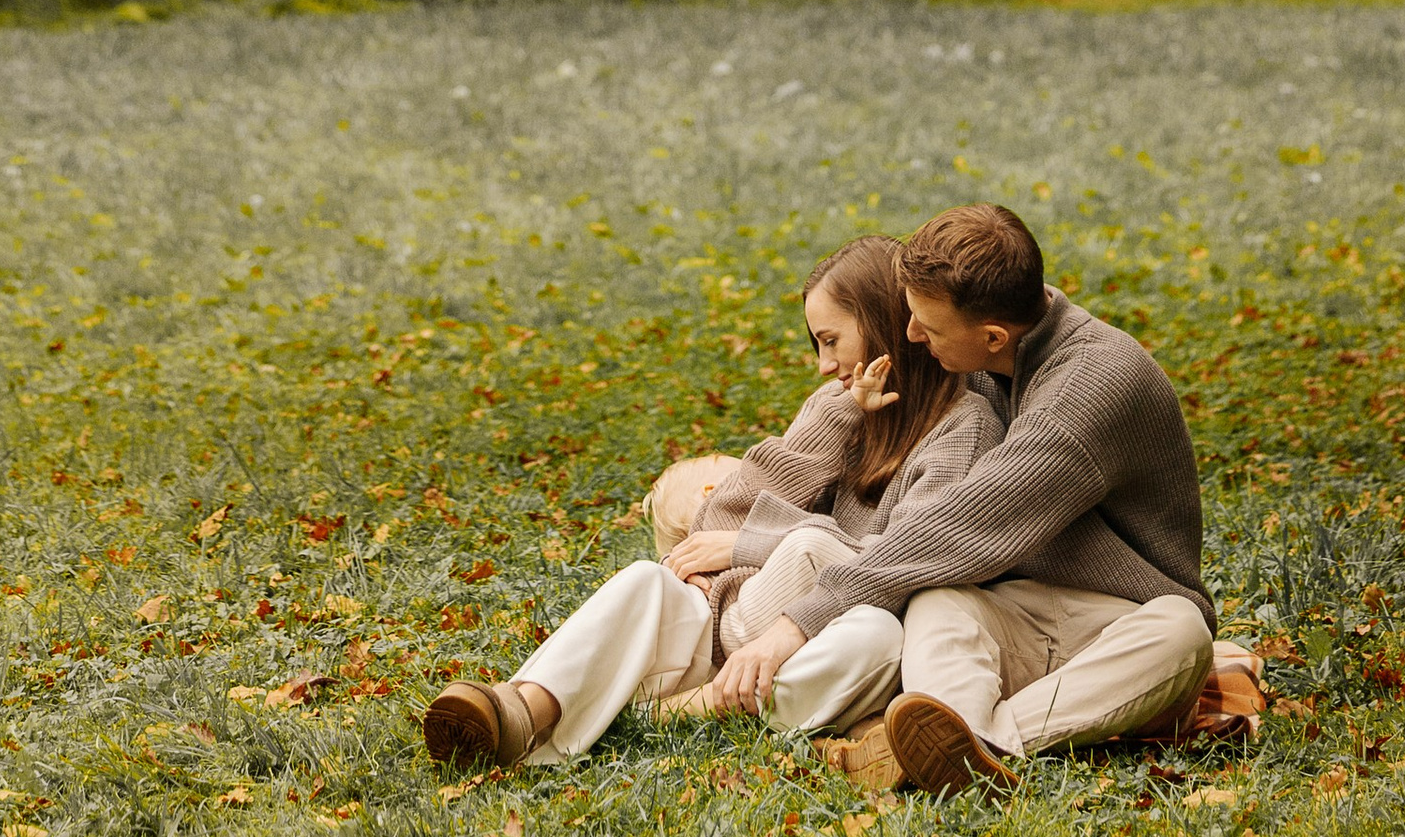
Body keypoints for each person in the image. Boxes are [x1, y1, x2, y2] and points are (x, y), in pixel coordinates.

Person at [703, 200, 1262, 794]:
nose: (911, 335)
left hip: (1115, 622)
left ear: (992, 335)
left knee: (1181, 630)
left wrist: (796, 624)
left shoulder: (1091, 388)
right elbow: (886, 522)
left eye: (927, 326)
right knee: (937, 599)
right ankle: (947, 740)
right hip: (1012, 606)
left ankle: (979, 746)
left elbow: (959, 527)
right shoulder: (977, 352)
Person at [419, 235, 999, 770]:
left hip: (822, 637)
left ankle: (679, 710)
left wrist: (754, 545)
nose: (824, 365)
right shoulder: (838, 404)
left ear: (883, 325)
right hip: (740, 615)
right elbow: (723, 516)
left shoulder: (963, 428)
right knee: (648, 581)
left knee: (873, 632)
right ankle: (524, 712)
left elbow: (902, 559)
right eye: (817, 345)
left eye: (831, 341)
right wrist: (841, 415)